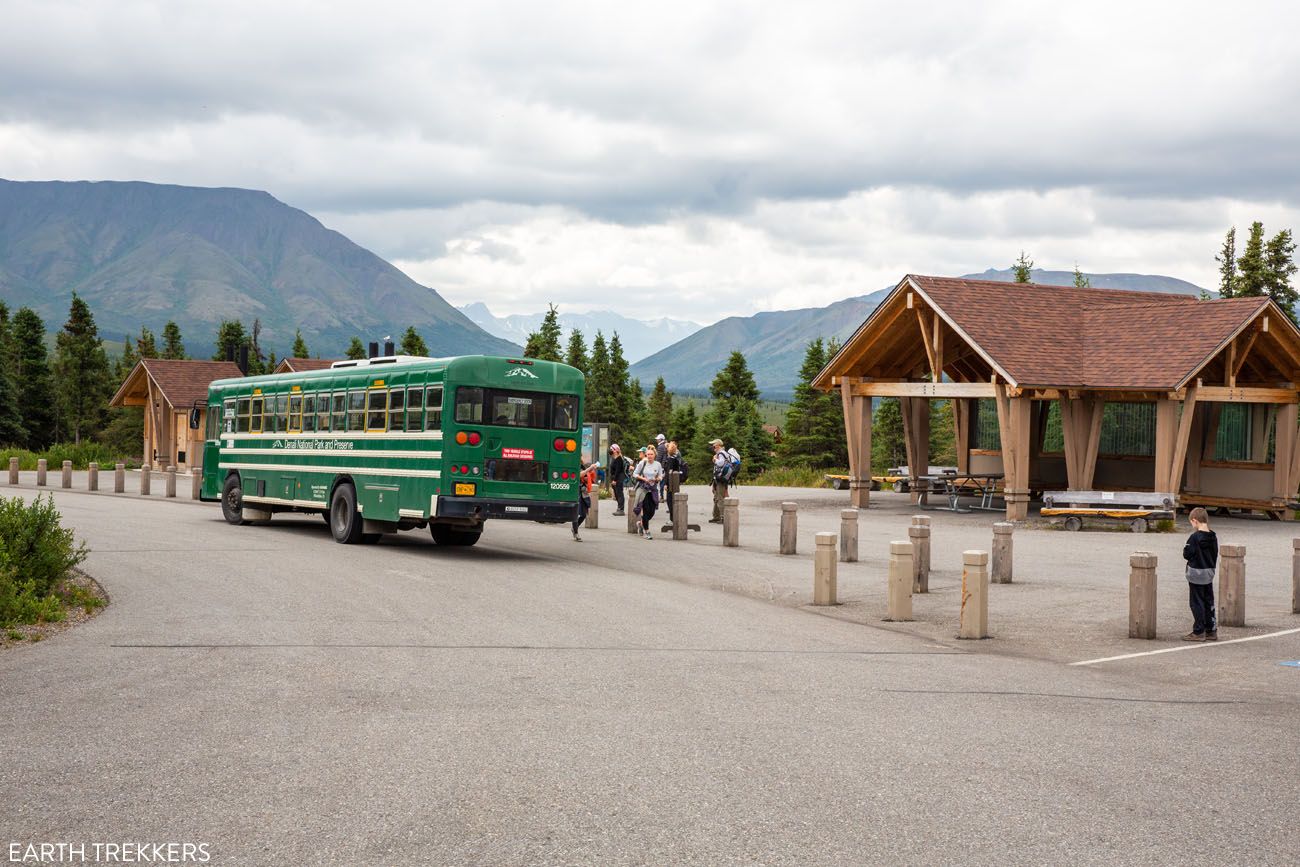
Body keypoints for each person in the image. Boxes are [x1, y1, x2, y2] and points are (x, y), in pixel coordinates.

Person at [1182, 507, 1219, 641]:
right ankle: (1211, 629)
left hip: (1196, 572)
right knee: (1208, 601)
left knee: (1196, 602)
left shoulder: (1194, 537)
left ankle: (1199, 631)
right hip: (1209, 572)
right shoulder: (1213, 536)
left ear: (1194, 521)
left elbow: (1187, 554)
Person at [633, 447, 664, 540]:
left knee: (652, 512)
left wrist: (657, 479)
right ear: (646, 455)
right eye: (648, 454)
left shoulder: (657, 464)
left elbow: (661, 475)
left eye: (651, 454)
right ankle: (647, 532)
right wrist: (643, 479)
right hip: (643, 489)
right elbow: (635, 474)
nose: (650, 456)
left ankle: (640, 523)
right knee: (646, 511)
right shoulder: (643, 463)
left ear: (654, 455)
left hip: (653, 490)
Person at [571, 461, 598, 541]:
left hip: (584, 493)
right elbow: (579, 475)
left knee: (583, 515)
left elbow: (588, 478)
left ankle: (574, 528)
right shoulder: (574, 465)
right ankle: (576, 533)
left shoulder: (582, 466)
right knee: (575, 513)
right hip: (576, 492)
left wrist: (589, 474)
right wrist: (589, 469)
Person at [708, 438, 729, 524]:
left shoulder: (721, 453)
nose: (713, 448)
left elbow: (720, 463)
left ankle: (723, 517)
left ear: (718, 445)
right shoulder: (722, 453)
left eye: (714, 446)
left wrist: (714, 460)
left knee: (720, 498)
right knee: (716, 497)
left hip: (720, 479)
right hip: (719, 478)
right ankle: (716, 516)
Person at [663, 440, 682, 519]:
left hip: (671, 483)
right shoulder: (676, 458)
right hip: (675, 482)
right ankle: (674, 517)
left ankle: (672, 518)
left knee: (670, 501)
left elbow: (668, 473)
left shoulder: (671, 460)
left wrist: (666, 483)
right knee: (673, 500)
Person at [607, 444, 627, 515]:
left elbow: (617, 471)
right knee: (617, 494)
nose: (610, 451)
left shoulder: (619, 459)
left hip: (618, 479)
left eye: (611, 449)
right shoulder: (614, 458)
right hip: (616, 479)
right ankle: (619, 508)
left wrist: (615, 480)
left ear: (615, 450)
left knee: (619, 493)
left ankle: (621, 509)